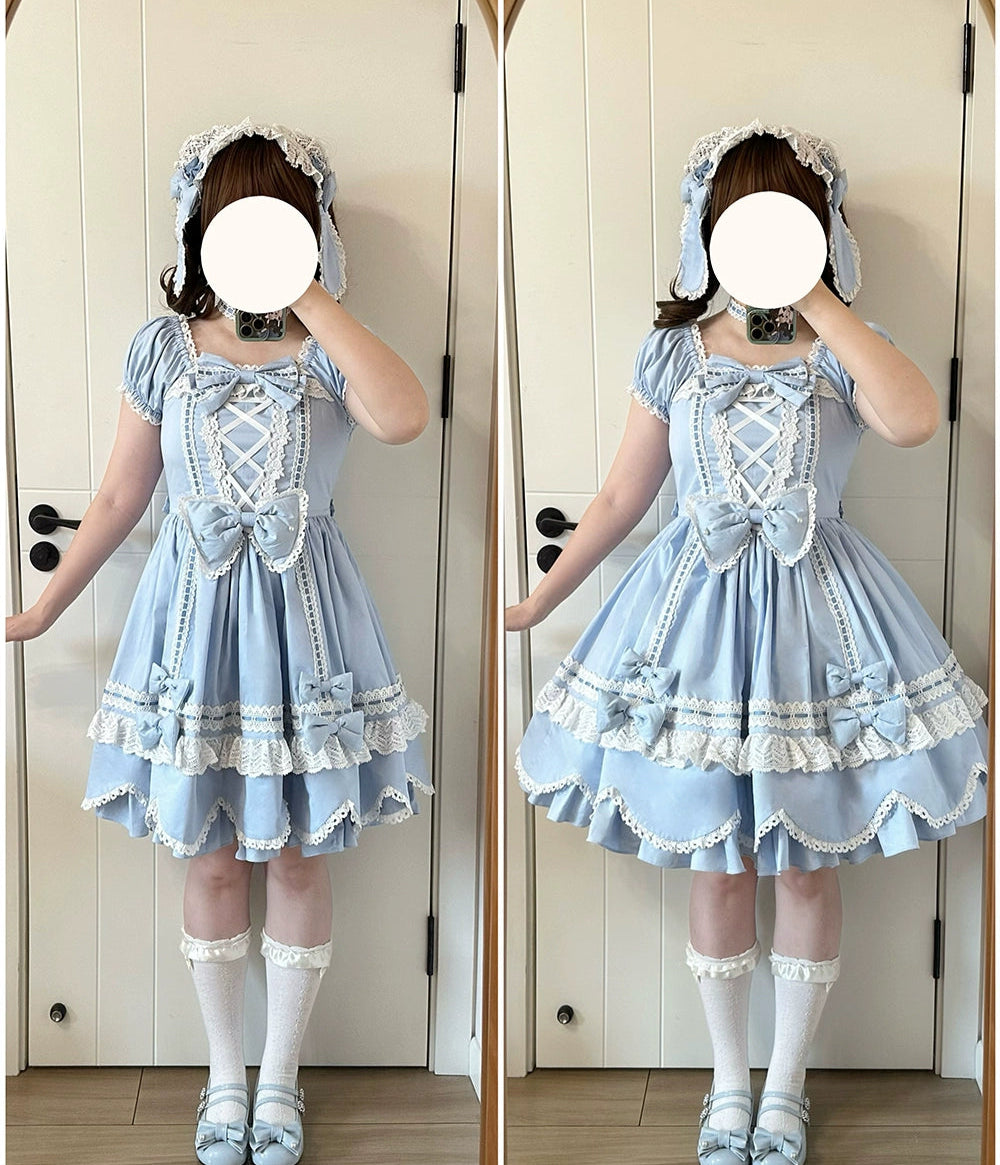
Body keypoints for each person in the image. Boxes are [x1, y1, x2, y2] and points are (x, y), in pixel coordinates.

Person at [506, 119, 989, 1165]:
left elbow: (913, 420)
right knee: (719, 864)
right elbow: (620, 496)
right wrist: (542, 598)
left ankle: (787, 1088)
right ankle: (730, 1084)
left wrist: (817, 297)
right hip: (692, 627)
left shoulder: (848, 346)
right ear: (710, 229)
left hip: (822, 626)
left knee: (807, 865)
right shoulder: (676, 351)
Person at [6, 118, 434, 1165]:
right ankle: (226, 1078)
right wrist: (45, 608)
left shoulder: (329, 348)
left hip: (306, 627)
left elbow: (402, 418)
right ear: (199, 228)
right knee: (205, 858)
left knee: (294, 854)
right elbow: (120, 495)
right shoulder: (165, 348)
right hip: (192, 630)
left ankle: (281, 1081)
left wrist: (310, 293)